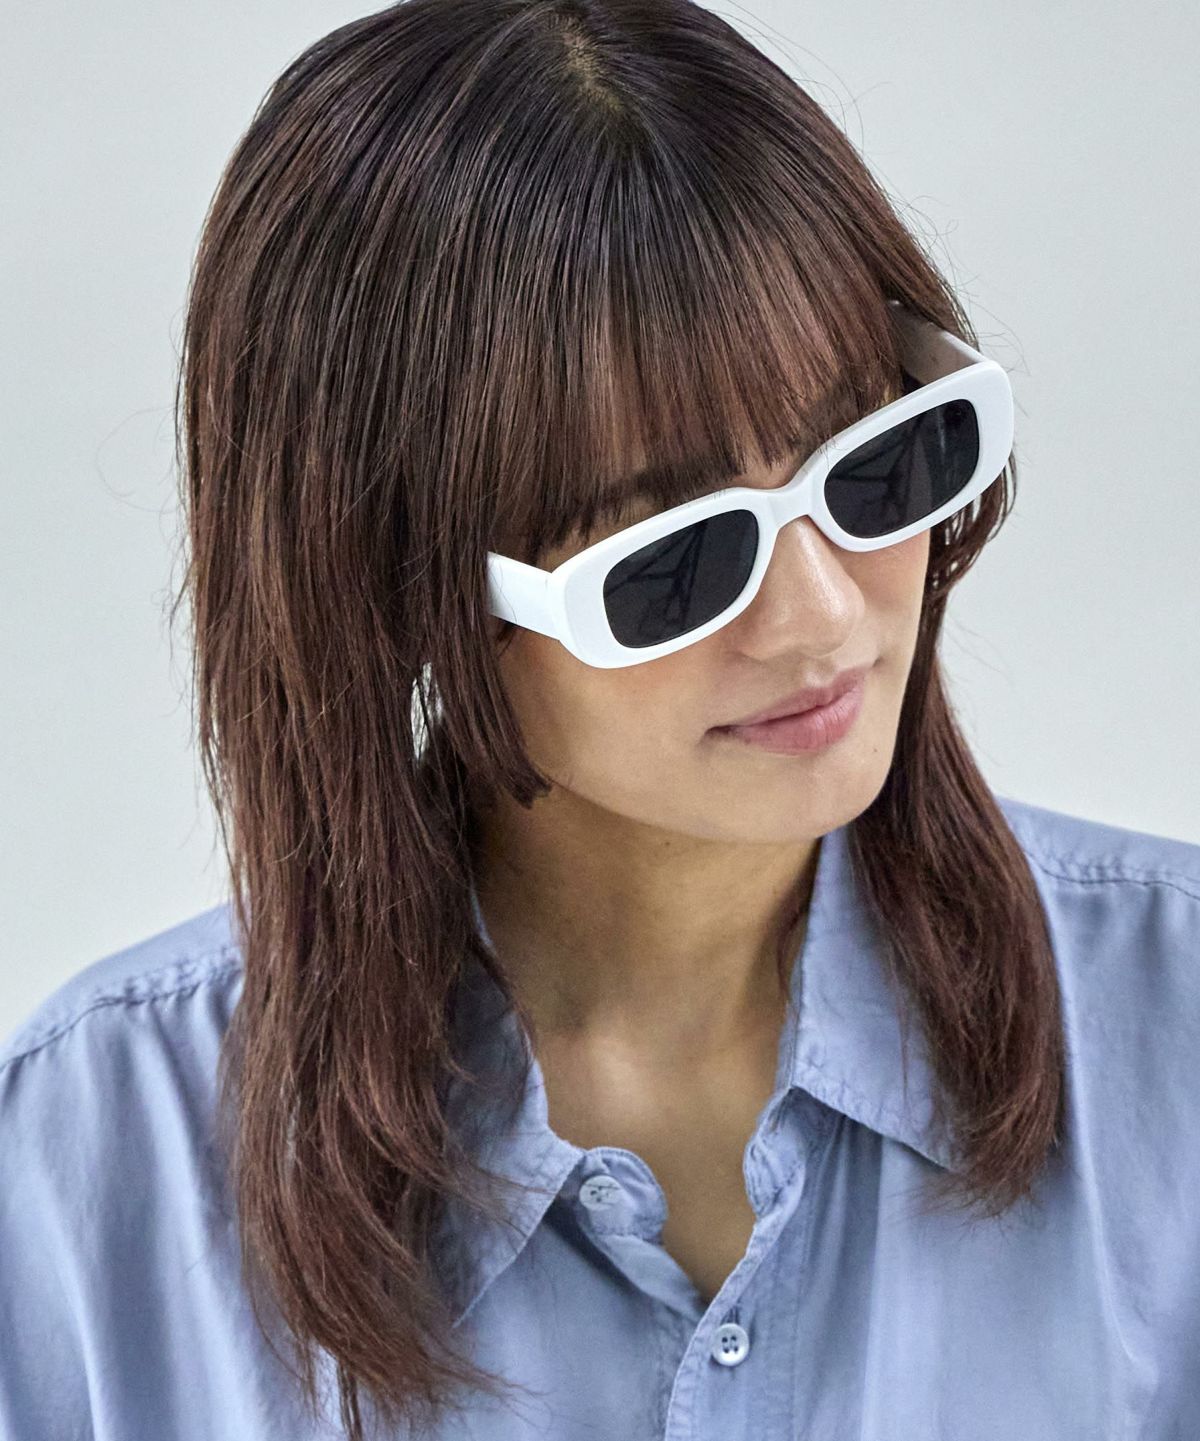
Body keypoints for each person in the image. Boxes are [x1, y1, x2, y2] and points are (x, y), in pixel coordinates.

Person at [3, 1, 1198, 1438]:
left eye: (878, 466)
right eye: (672, 561)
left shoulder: (1174, 1031)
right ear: (392, 592)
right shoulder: (84, 1176)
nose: (821, 615)